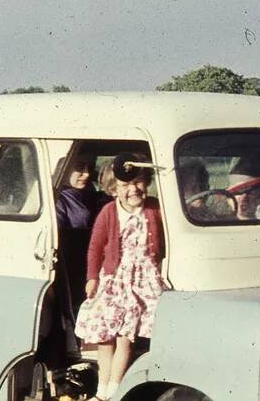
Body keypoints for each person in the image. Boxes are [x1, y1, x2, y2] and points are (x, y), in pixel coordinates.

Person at [75, 153, 166, 401]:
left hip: (143, 279)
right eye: (125, 185)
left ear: (146, 182)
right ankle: (101, 389)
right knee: (105, 336)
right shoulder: (108, 212)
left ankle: (114, 390)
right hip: (114, 279)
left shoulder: (155, 209)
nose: (133, 189)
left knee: (126, 336)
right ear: (114, 189)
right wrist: (92, 277)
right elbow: (95, 247)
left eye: (138, 182)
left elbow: (165, 242)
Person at [55, 155, 109, 229]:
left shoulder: (84, 192)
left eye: (88, 168)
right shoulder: (58, 200)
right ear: (64, 169)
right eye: (80, 168)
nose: (87, 174)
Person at [227, 155, 260, 220]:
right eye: (238, 192)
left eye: (251, 192)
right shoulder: (216, 222)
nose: (244, 198)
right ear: (229, 198)